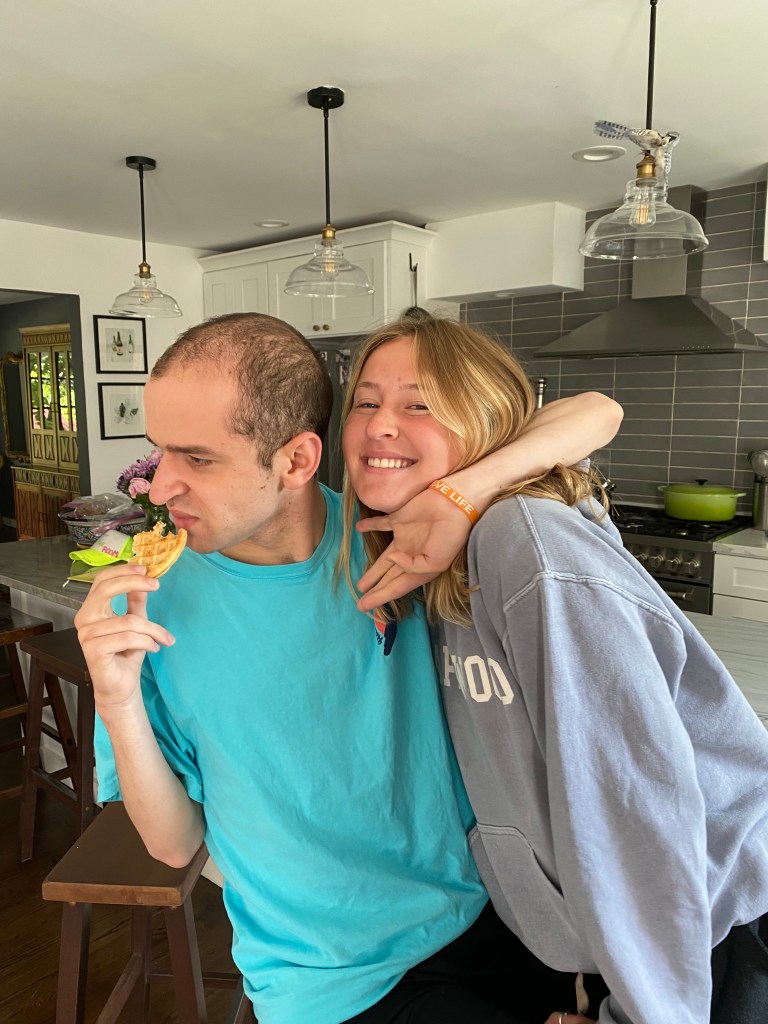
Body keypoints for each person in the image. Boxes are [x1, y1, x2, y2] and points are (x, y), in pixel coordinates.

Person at [74, 312, 621, 1024]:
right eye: (160, 452)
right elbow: (174, 844)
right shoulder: (150, 604)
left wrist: (464, 494)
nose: (158, 487)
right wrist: (116, 699)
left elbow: (596, 413)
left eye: (197, 459)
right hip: (329, 978)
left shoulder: (399, 536)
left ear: (297, 461)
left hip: (496, 916)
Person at [341, 315, 768, 1024]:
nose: (381, 424)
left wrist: (644, 1012)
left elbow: (634, 802)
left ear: (486, 425)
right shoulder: (426, 558)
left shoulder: (521, 542)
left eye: (420, 404)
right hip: (633, 939)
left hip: (713, 924)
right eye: (365, 401)